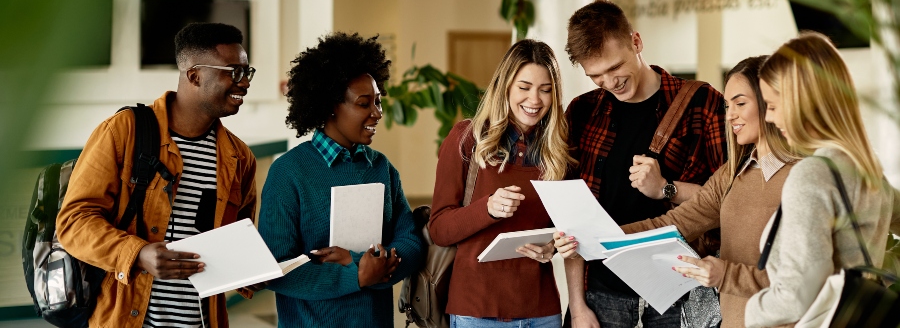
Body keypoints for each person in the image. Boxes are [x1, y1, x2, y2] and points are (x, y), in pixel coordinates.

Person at [55, 22, 260, 328]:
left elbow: (237, 240)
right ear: (194, 75)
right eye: (233, 72)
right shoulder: (123, 131)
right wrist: (137, 254)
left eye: (247, 72)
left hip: (203, 320)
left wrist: (258, 271)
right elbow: (74, 222)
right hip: (127, 318)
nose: (244, 83)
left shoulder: (239, 157)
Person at [552, 0, 728, 328]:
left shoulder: (702, 104)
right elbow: (572, 219)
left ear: (636, 42)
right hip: (602, 294)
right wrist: (576, 304)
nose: (610, 83)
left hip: (681, 294)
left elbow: (729, 200)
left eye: (615, 67)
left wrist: (666, 188)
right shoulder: (582, 112)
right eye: (596, 76)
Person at [601, 56, 801, 328]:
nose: (730, 115)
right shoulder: (731, 175)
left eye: (740, 103)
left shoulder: (804, 177)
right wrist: (598, 238)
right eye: (728, 105)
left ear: (771, 102)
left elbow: (803, 279)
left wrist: (725, 275)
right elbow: (672, 225)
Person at [257, 32, 426, 328]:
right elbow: (275, 269)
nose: (377, 113)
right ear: (332, 105)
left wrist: (367, 263)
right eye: (364, 104)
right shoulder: (289, 172)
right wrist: (359, 274)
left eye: (378, 101)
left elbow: (411, 241)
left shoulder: (382, 168)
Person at [744, 32, 900, 327]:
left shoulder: (813, 174)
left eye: (773, 106)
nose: (769, 119)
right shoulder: (866, 167)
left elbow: (797, 295)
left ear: (804, 102)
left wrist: (753, 312)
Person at [428, 39, 576, 328]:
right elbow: (439, 230)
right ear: (504, 86)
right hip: (477, 310)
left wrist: (553, 248)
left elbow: (566, 227)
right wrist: (488, 208)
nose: (535, 100)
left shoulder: (559, 150)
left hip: (542, 311)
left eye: (545, 90)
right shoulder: (466, 139)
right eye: (524, 87)